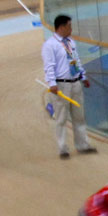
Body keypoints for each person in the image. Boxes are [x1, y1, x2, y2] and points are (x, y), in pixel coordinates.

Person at [41, 14, 96, 159]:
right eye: (69, 26)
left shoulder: (70, 42)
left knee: (79, 116)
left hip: (75, 82)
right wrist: (52, 84)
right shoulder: (50, 45)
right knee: (61, 118)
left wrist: (83, 76)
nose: (71, 29)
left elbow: (76, 60)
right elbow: (49, 66)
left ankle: (83, 145)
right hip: (61, 85)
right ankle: (63, 148)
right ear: (61, 27)